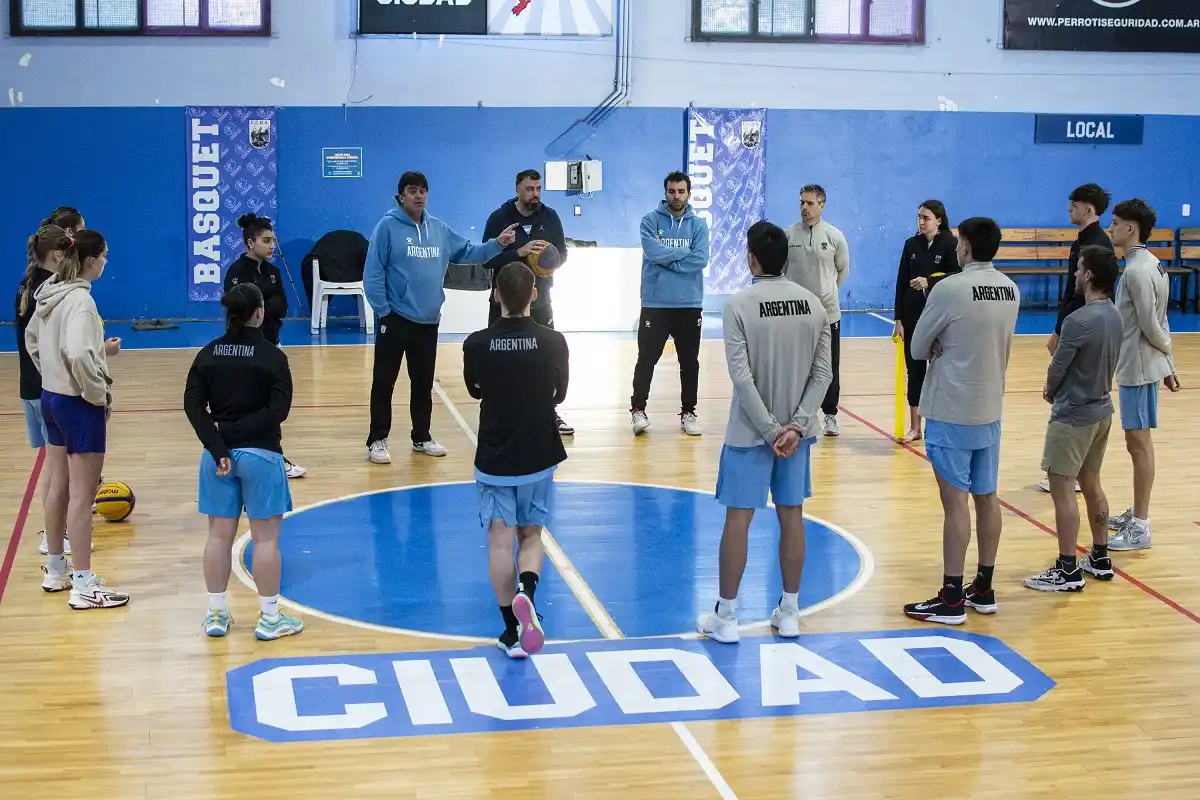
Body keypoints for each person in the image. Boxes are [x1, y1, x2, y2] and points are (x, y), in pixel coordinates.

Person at [695, 220, 832, 644]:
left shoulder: (738, 305)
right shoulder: (814, 305)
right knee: (792, 516)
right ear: (786, 259)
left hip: (749, 434)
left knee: (738, 519)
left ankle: (727, 618)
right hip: (797, 438)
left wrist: (772, 430)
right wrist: (797, 426)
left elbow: (741, 377)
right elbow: (823, 375)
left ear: (751, 259)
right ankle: (789, 612)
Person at [902, 217, 1019, 626]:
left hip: (952, 408)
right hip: (991, 408)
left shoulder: (949, 288)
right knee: (987, 497)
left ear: (965, 247)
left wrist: (941, 342)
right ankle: (983, 588)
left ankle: (951, 597)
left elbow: (918, 347)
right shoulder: (1010, 288)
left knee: (955, 505)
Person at [363, 171, 517, 464]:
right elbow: (373, 272)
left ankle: (421, 436)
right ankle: (377, 439)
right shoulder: (387, 227)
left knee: (423, 383)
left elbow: (469, 252)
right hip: (394, 319)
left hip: (428, 322)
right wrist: (384, 311)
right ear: (401, 196)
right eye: (412, 190)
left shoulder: (438, 229)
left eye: (423, 190)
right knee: (384, 382)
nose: (419, 195)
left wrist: (498, 243)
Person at [183, 282, 304, 640]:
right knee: (265, 540)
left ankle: (216, 614)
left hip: (216, 459)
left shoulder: (207, 354)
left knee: (219, 537)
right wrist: (238, 435)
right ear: (259, 313)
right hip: (261, 456)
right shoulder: (273, 357)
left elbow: (192, 406)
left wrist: (218, 444)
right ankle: (270, 618)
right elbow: (277, 411)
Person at [463, 262, 569, 658]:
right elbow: (560, 393)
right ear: (534, 295)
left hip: (495, 457)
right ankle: (528, 589)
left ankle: (512, 631)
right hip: (538, 453)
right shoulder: (554, 341)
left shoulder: (476, 343)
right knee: (531, 535)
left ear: (496, 295)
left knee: (499, 543)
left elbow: (475, 389)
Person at [25, 228, 129, 609]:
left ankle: (56, 569)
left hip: (51, 397)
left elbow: (33, 341)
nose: (106, 262)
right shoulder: (82, 302)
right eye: (104, 256)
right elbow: (81, 354)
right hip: (77, 404)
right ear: (90, 260)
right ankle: (84, 584)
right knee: (83, 497)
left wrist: (51, 373)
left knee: (58, 487)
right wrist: (97, 394)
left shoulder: (48, 292)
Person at [1025, 246, 1123, 592]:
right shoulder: (1116, 316)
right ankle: (1100, 556)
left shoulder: (1078, 320)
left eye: (1079, 269)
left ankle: (1067, 568)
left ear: (1090, 276)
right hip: (1102, 411)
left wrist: (1050, 391)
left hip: (1073, 417)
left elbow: (1057, 369)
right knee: (1092, 483)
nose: (1076, 274)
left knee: (1062, 488)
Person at [17, 208, 95, 558]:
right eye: (78, 233)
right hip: (51, 387)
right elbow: (62, 346)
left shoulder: (31, 284)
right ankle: (55, 540)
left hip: (35, 387)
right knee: (58, 474)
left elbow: (32, 339)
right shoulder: (56, 290)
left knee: (52, 468)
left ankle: (53, 539)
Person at [1105, 199, 1181, 551]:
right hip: (1144, 364)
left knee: (1138, 444)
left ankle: (1140, 526)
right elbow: (1161, 320)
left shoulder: (1136, 272)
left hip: (1137, 367)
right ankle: (1137, 512)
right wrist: (1168, 363)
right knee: (1137, 443)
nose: (1111, 228)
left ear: (1131, 228)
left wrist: (1167, 359)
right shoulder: (1152, 264)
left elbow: (1152, 325)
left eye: (1115, 222)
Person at [481, 169, 574, 436]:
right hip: (505, 303)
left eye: (538, 188)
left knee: (544, 358)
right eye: (529, 189)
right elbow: (486, 259)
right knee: (499, 361)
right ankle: (496, 415)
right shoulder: (500, 218)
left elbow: (563, 254)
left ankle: (548, 413)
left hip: (540, 300)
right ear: (517, 190)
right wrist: (519, 253)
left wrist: (548, 263)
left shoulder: (550, 217)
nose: (535, 194)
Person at [1038, 183, 1113, 493]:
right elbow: (1071, 291)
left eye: (1075, 204)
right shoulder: (1080, 241)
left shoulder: (1098, 245)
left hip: (1083, 327)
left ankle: (1068, 468)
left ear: (1089, 209)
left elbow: (1091, 294)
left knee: (1073, 389)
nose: (1070, 208)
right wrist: (1059, 327)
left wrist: (1066, 330)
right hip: (1070, 322)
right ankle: (1069, 465)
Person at [223, 213, 307, 479]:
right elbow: (240, 309)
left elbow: (282, 306)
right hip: (244, 350)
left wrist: (264, 306)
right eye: (266, 240)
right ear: (250, 242)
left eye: (273, 240)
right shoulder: (236, 272)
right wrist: (266, 306)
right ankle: (233, 455)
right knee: (245, 404)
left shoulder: (273, 273)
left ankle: (274, 457)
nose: (272, 246)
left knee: (272, 406)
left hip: (271, 345)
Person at [630, 171, 710, 437]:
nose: (676, 196)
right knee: (646, 359)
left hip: (689, 303)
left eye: (681, 191)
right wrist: (683, 253)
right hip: (656, 303)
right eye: (672, 191)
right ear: (665, 193)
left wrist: (667, 260)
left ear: (689, 193)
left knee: (689, 362)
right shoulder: (650, 221)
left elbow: (700, 259)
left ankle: (688, 413)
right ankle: (638, 410)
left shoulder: (698, 225)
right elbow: (652, 252)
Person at [785, 185, 850, 437]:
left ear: (821, 205)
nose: (804, 207)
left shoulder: (834, 236)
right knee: (796, 366)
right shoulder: (788, 235)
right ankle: (799, 413)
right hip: (795, 315)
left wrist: (827, 294)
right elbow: (782, 270)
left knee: (829, 367)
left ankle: (830, 415)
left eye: (810, 203)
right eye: (802, 202)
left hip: (828, 315)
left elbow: (842, 270)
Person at [892, 200, 959, 443]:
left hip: (941, 318)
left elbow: (958, 275)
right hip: (913, 315)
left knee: (942, 372)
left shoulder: (951, 244)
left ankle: (942, 425)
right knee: (915, 369)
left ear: (939, 220)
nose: (921, 222)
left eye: (926, 217)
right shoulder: (911, 244)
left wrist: (929, 281)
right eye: (919, 217)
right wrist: (898, 319)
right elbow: (901, 282)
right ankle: (915, 427)